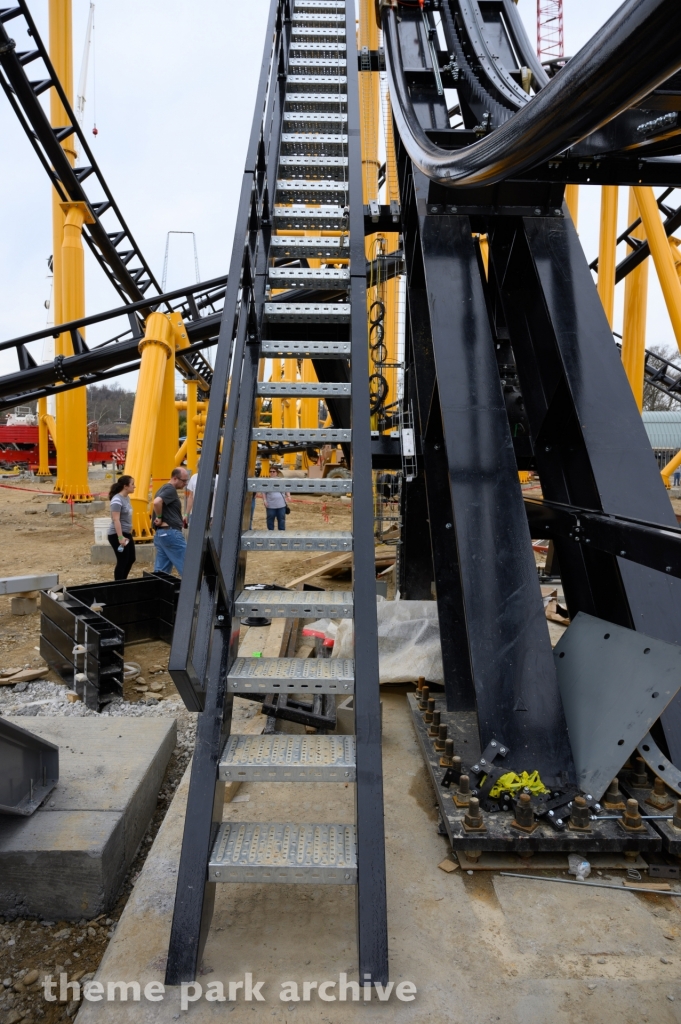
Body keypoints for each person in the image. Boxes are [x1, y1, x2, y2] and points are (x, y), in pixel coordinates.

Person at [152, 467, 190, 575]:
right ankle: (193, 587)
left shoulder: (162, 489)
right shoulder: (170, 489)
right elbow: (156, 502)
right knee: (188, 568)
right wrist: (159, 517)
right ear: (175, 478)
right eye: (184, 481)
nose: (185, 484)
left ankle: (157, 586)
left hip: (162, 534)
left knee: (161, 573)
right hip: (171, 533)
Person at [107, 475, 136, 580]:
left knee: (131, 558)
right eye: (132, 484)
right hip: (117, 534)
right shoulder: (117, 500)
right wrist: (120, 537)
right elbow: (116, 519)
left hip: (126, 533)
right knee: (123, 560)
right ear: (125, 486)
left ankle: (123, 581)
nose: (134, 486)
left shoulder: (126, 498)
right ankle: (119, 584)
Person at [260, 465, 290, 531]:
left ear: (277, 472)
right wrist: (265, 501)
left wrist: (288, 496)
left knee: (281, 520)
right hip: (271, 505)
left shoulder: (282, 481)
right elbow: (263, 492)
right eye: (270, 471)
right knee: (270, 520)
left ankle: (281, 533)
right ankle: (270, 532)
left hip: (281, 505)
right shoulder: (266, 482)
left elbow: (287, 489)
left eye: (273, 471)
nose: (272, 473)